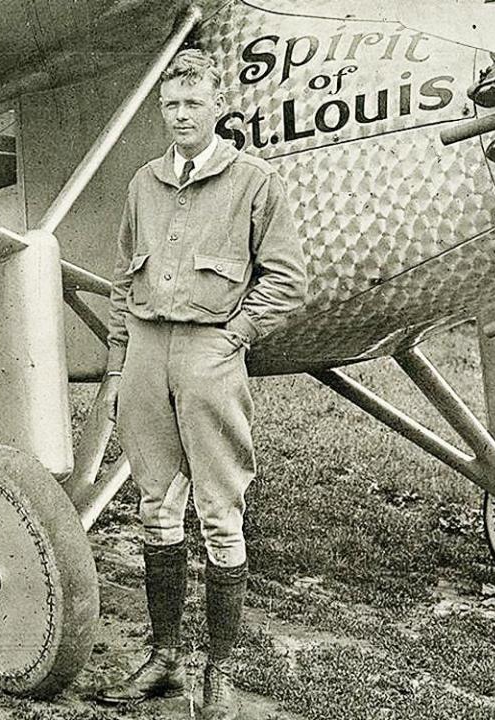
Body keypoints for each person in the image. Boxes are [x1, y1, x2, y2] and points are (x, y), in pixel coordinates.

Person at [96, 49, 307, 719]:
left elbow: (288, 279)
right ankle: (163, 661)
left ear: (219, 107)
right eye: (171, 105)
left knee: (220, 514)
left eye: (194, 103)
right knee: (157, 506)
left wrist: (236, 336)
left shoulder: (255, 183)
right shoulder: (143, 183)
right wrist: (116, 365)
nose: (182, 116)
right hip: (146, 355)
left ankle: (220, 672)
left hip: (211, 355)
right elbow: (125, 282)